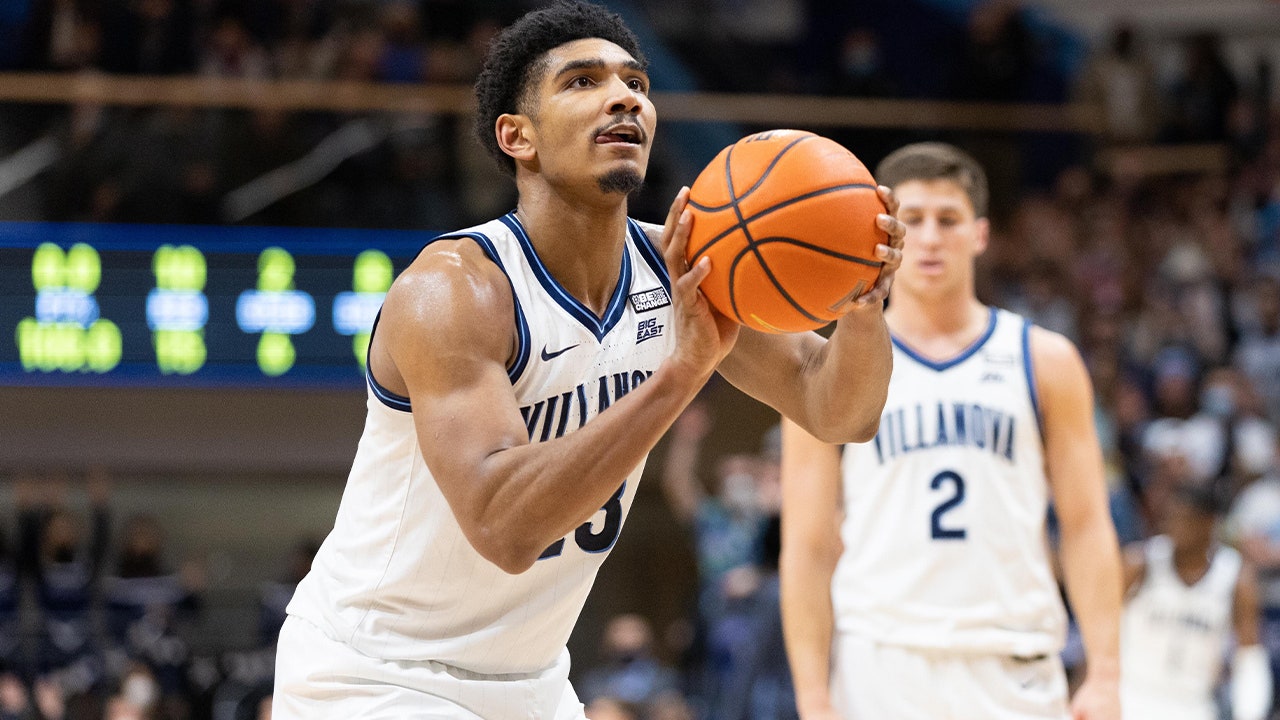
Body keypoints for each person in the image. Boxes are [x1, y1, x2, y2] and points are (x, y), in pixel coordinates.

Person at [272, 2, 904, 718]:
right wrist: (681, 375)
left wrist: (860, 309)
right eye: (582, 82)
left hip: (530, 678)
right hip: (375, 669)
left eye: (636, 82)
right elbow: (503, 525)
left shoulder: (683, 269)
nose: (624, 96)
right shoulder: (453, 291)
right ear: (518, 137)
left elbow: (839, 410)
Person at [779, 142, 1122, 720]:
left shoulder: (1044, 359)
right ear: (884, 233)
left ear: (980, 234)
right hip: (881, 659)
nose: (931, 237)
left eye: (949, 219)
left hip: (1012, 653)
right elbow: (808, 547)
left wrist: (1107, 674)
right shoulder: (830, 366)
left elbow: (1086, 526)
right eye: (912, 220)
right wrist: (813, 696)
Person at [1121, 481, 1271, 720]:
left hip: (1192, 705)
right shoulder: (1139, 563)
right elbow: (1100, 630)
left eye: (1184, 519)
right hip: (1130, 696)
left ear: (1208, 523)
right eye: (1171, 517)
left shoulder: (1235, 579)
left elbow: (1249, 658)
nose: (1174, 527)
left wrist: (1250, 714)